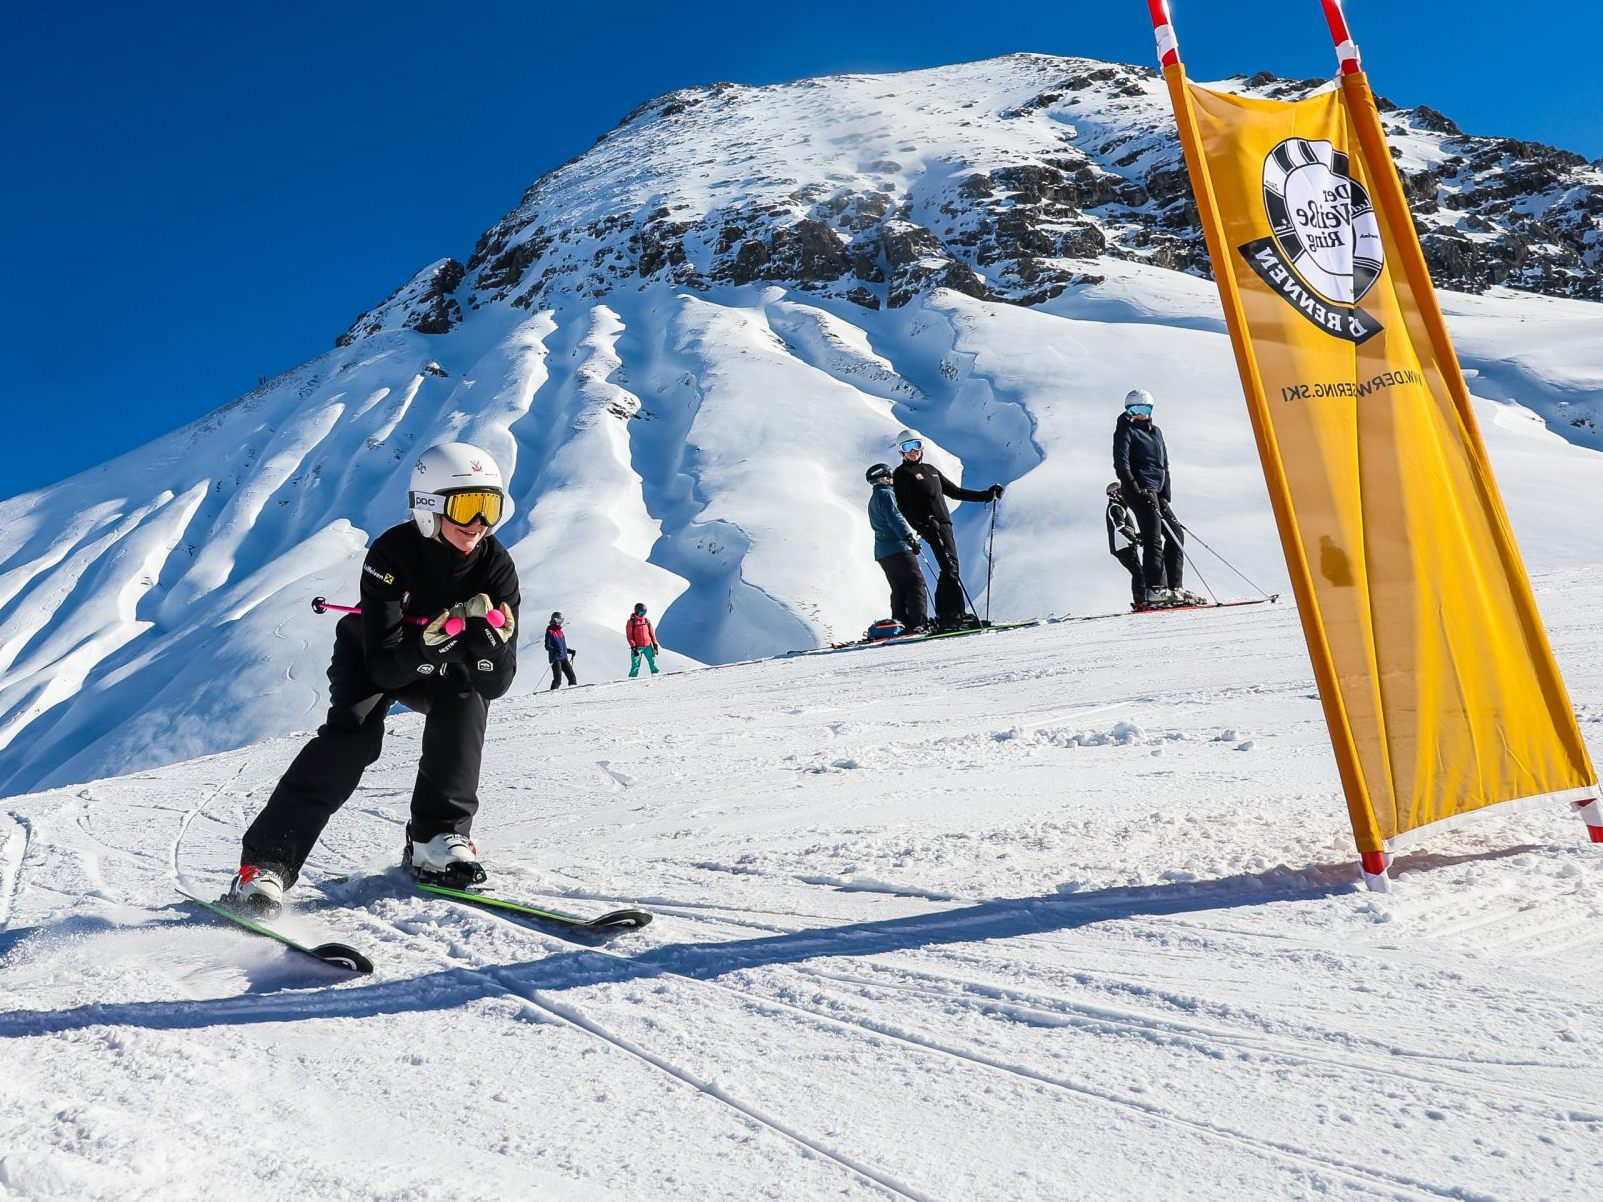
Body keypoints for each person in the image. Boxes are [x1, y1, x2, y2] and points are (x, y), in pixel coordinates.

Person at [227, 442, 520, 915]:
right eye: (467, 506)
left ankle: (436, 839)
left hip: (437, 662)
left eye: (490, 506)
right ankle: (265, 866)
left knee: (467, 698)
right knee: (354, 737)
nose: (479, 522)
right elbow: (383, 666)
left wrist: (489, 651)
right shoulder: (391, 553)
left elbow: (496, 684)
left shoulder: (496, 565)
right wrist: (431, 647)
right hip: (370, 655)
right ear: (428, 507)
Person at [889, 430, 1003, 630]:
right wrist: (923, 527)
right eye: (908, 447)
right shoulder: (902, 474)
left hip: (944, 524)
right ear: (901, 451)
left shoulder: (930, 470)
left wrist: (986, 495)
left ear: (922, 447)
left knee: (951, 568)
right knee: (949, 568)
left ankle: (952, 615)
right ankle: (951, 616)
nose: (913, 451)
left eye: (916, 445)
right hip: (931, 527)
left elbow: (954, 492)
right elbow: (904, 507)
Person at [1112, 390, 1203, 607]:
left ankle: (1174, 588)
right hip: (1138, 489)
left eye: (1144, 409)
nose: (1140, 414)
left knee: (1176, 534)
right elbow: (1121, 464)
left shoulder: (1156, 432)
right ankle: (1155, 589)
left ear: (1151, 410)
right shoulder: (1125, 430)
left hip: (1156, 490)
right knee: (1152, 537)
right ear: (1127, 410)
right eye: (1134, 409)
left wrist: (1165, 493)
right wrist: (1135, 487)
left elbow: (1164, 463)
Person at [866, 462, 929, 633]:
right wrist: (908, 538)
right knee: (915, 583)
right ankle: (919, 624)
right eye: (891, 476)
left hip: (883, 552)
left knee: (899, 588)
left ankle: (899, 625)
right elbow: (895, 518)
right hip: (898, 548)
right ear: (885, 478)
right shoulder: (886, 495)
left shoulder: (875, 498)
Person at [1104, 482, 1146, 610]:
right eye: (1121, 492)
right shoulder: (1115, 507)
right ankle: (1140, 603)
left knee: (1139, 572)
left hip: (1124, 545)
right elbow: (1120, 528)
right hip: (1123, 546)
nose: (1125, 495)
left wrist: (1138, 536)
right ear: (1114, 494)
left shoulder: (1118, 507)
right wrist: (1135, 540)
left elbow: (1126, 529)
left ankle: (1141, 601)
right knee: (1138, 573)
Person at [626, 603, 661, 677]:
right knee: (635, 664)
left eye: (644, 613)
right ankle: (632, 678)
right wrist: (633, 647)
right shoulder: (631, 622)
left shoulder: (646, 621)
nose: (642, 615)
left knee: (652, 661)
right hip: (637, 647)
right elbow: (629, 636)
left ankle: (656, 675)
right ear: (636, 611)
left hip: (648, 646)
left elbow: (652, 634)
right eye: (641, 613)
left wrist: (655, 644)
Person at [546, 612, 577, 689]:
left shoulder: (560, 632)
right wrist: (555, 650)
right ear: (553, 620)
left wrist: (569, 651)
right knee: (558, 679)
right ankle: (552, 694)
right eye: (558, 620)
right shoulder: (550, 631)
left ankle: (573, 693)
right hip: (555, 658)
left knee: (572, 677)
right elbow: (547, 646)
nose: (559, 622)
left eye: (561, 620)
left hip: (563, 658)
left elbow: (562, 647)